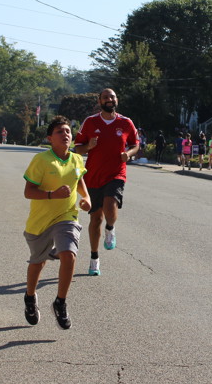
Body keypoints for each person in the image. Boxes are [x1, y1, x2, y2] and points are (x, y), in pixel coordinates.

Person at [22, 116, 92, 330]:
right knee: (38, 263)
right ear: (50, 138)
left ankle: (60, 302)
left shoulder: (77, 159)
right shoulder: (41, 160)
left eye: (68, 131)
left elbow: (80, 181)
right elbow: (28, 192)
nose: (65, 135)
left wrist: (87, 198)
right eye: (60, 132)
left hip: (66, 216)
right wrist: (52, 194)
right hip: (41, 221)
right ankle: (30, 297)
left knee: (69, 255)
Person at [73, 88, 139, 276]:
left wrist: (129, 154)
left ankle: (110, 228)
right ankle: (94, 259)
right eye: (105, 97)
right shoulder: (90, 122)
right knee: (95, 219)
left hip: (116, 173)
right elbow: (77, 148)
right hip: (93, 176)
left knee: (110, 205)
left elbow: (135, 144)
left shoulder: (125, 122)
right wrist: (89, 146)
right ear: (99, 101)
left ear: (116, 100)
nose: (109, 99)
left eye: (112, 97)